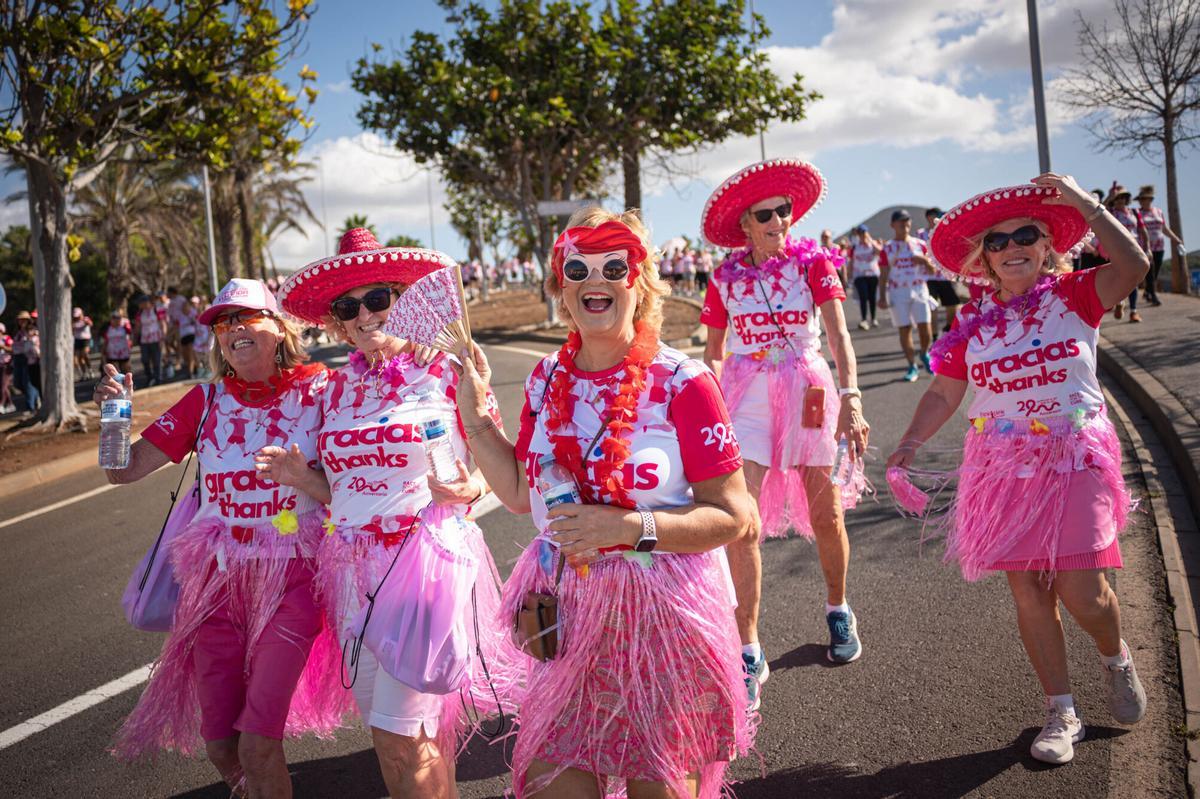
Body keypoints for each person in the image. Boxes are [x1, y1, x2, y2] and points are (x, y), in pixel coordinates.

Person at [453, 209, 756, 798]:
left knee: (659, 786)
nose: (597, 279)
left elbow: (734, 515)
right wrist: (473, 414)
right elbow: (518, 492)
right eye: (578, 268)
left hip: (661, 610)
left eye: (614, 266)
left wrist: (628, 527)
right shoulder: (544, 379)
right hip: (566, 605)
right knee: (550, 780)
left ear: (638, 283)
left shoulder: (683, 382)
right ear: (561, 288)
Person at [887, 173, 1150, 765]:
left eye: (1024, 235)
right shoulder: (970, 324)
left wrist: (1086, 204)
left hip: (1075, 457)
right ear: (983, 260)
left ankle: (1116, 657)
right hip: (1002, 469)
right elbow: (943, 393)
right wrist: (909, 441)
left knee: (1084, 593)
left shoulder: (1076, 294)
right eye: (998, 242)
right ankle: (1061, 711)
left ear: (1046, 245)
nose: (1011, 248)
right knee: (1030, 590)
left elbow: (1132, 266)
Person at [269, 229, 510, 798]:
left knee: (402, 736)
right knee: (400, 737)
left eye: (379, 299)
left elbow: (501, 472)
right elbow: (343, 491)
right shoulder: (333, 389)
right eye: (348, 306)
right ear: (336, 320)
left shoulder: (449, 369)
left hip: (427, 565)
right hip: (351, 573)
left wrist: (468, 490)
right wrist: (300, 477)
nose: (364, 315)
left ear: (404, 300)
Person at [100, 279, 349, 796]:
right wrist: (114, 415)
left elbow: (357, 486)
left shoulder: (323, 391)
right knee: (221, 747)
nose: (233, 328)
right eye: (221, 322)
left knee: (259, 744)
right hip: (216, 582)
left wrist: (303, 479)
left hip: (293, 575)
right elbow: (119, 472)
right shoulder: (205, 400)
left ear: (278, 329)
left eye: (246, 317)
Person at [699, 158, 872, 706]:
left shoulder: (814, 263)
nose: (778, 220)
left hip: (807, 390)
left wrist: (853, 397)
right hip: (745, 396)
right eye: (765, 214)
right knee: (739, 520)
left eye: (784, 211)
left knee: (827, 513)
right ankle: (748, 646)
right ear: (745, 225)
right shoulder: (723, 278)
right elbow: (711, 352)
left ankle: (838, 609)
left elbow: (840, 335)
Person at [879, 209, 936, 381]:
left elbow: (933, 271)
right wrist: (881, 297)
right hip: (898, 292)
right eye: (900, 221)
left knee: (925, 329)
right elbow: (883, 275)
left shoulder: (920, 244)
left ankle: (924, 353)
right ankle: (912, 366)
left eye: (907, 221)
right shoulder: (887, 249)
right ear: (892, 225)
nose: (905, 224)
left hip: (919, 290)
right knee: (905, 330)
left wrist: (925, 261)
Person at [1134, 185, 1184, 305]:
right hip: (1145, 247)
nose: (1142, 201)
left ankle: (1148, 290)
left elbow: (1164, 228)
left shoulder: (1158, 212)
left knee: (1155, 272)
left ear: (1150, 200)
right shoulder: (1137, 213)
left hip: (1159, 246)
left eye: (1144, 199)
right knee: (1150, 271)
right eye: (1140, 199)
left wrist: (1176, 239)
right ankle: (1153, 296)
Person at [919, 208, 961, 334]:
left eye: (937, 216)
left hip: (945, 276)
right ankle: (934, 335)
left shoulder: (946, 233)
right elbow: (918, 251)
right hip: (929, 278)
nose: (935, 219)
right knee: (932, 307)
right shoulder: (921, 233)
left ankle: (948, 327)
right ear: (927, 218)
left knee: (952, 305)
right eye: (932, 217)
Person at [1105, 184, 1142, 323]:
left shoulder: (1135, 212)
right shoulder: (1111, 213)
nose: (1120, 200)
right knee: (1119, 277)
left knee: (1134, 280)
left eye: (1123, 198)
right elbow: (1098, 208)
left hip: (1134, 249)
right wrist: (1110, 196)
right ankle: (1119, 301)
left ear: (1127, 199)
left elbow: (1142, 231)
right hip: (1117, 250)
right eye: (1118, 198)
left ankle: (1133, 311)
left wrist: (1148, 248)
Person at [849, 224, 881, 329]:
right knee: (863, 296)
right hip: (859, 275)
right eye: (860, 234)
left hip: (872, 274)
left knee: (872, 297)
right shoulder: (855, 246)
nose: (862, 236)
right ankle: (863, 320)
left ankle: (873, 318)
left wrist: (871, 241)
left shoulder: (873, 244)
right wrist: (849, 275)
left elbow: (880, 252)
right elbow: (851, 261)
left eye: (864, 233)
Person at [133, 294, 165, 385]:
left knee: (157, 359)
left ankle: (158, 378)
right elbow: (138, 326)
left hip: (156, 338)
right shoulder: (140, 313)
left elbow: (162, 323)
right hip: (144, 340)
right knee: (145, 359)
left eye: (141, 303)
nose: (140, 305)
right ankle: (149, 377)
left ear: (146, 302)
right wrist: (134, 338)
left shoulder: (156, 310)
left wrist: (163, 337)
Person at [11, 310, 40, 413]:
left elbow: (32, 344)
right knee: (17, 383)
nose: (21, 322)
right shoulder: (18, 333)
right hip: (17, 358)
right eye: (20, 320)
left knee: (28, 383)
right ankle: (35, 397)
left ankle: (30, 407)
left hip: (28, 358)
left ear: (28, 321)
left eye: (24, 320)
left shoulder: (32, 331)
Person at [102, 309, 133, 376]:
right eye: (114, 318)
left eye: (118, 318)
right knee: (114, 371)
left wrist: (130, 346)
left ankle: (128, 383)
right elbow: (105, 340)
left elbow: (130, 334)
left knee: (125, 368)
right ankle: (117, 385)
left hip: (123, 352)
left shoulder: (124, 326)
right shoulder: (108, 328)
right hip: (112, 353)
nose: (116, 320)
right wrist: (103, 352)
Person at [178, 295, 199, 379]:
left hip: (191, 335)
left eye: (186, 306)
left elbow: (197, 322)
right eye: (183, 306)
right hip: (183, 336)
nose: (185, 308)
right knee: (185, 355)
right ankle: (196, 368)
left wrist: (191, 318)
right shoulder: (180, 315)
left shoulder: (193, 312)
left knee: (190, 353)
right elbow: (177, 327)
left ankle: (190, 373)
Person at [72, 307, 94, 381]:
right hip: (77, 340)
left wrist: (86, 322)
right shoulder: (73, 322)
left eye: (78, 316)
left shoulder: (85, 319)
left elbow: (91, 324)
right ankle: (83, 373)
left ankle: (90, 370)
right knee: (77, 359)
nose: (77, 317)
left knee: (84, 355)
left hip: (85, 340)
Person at [0, 322, 13, 413]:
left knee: (3, 385)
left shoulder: (7, 338)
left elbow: (12, 349)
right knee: (3, 386)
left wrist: (3, 347)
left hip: (6, 365)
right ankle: (10, 404)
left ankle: (1, 404)